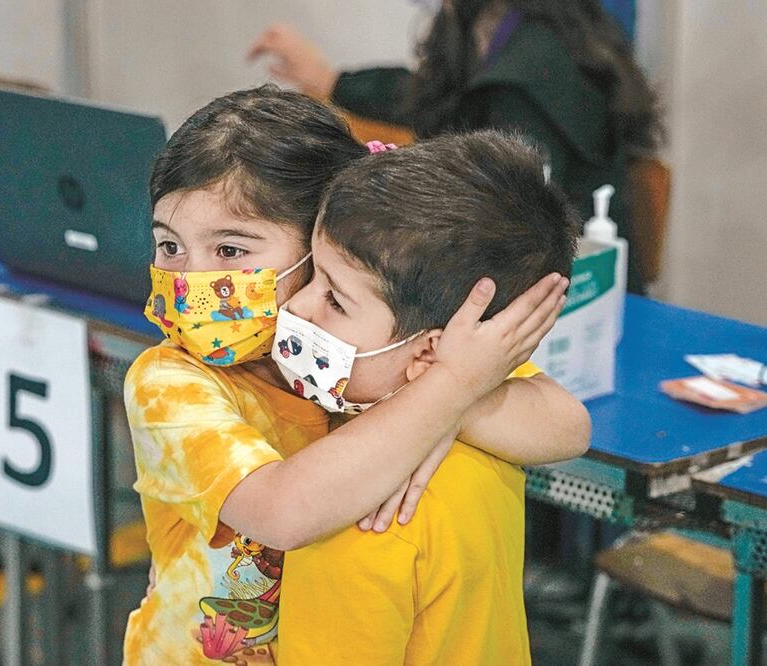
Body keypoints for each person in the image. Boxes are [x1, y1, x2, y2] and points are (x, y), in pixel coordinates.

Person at [123, 86, 589, 664]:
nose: (190, 279)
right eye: (168, 245)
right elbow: (279, 513)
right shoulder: (170, 381)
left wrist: (448, 394)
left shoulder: (370, 342)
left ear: (323, 246)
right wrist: (442, 395)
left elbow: (568, 426)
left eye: (229, 251)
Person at [277, 130, 578, 664]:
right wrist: (449, 396)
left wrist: (449, 394)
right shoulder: (485, 400)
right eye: (311, 273)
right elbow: (568, 422)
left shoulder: (358, 519)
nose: (298, 307)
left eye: (335, 301)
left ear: (429, 353)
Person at [249, 0, 664, 293]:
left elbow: (514, 233)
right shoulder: (532, 30)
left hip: (574, 297)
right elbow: (440, 98)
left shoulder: (524, 83)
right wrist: (331, 80)